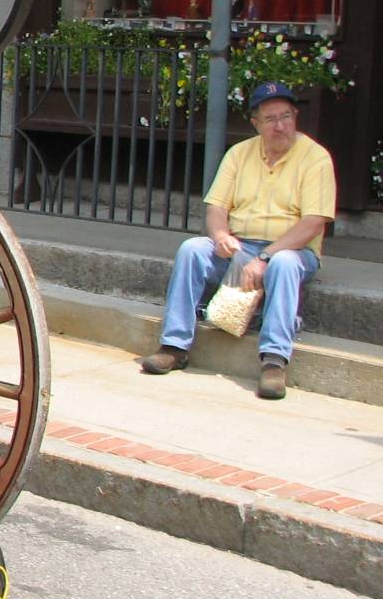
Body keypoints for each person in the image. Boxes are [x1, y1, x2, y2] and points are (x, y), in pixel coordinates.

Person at [140, 81, 335, 400]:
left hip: (291, 249)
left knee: (284, 264)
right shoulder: (239, 154)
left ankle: (274, 361)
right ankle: (174, 346)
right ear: (255, 123)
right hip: (241, 245)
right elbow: (217, 207)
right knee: (193, 249)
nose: (280, 126)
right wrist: (220, 235)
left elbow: (313, 222)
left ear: (295, 116)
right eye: (271, 119)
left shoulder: (316, 158)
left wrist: (266, 257)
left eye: (286, 116)